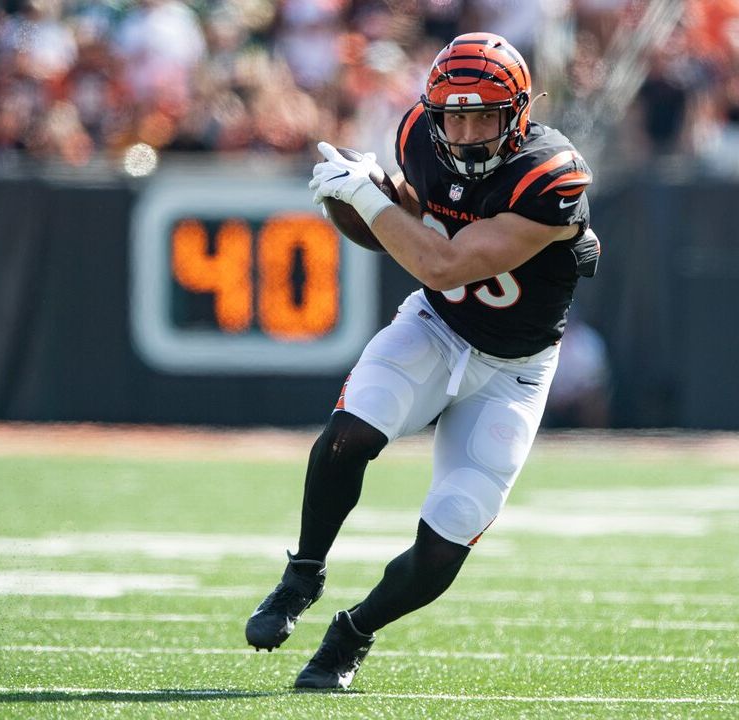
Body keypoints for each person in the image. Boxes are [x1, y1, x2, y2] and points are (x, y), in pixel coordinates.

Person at [245, 32, 599, 690]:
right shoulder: (416, 132)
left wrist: (369, 200)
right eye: (454, 116)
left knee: (453, 529)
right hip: (438, 325)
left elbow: (445, 259)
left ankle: (352, 634)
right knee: (349, 434)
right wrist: (359, 198)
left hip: (515, 369)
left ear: (518, 115)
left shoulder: (550, 175)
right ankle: (304, 572)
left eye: (482, 116)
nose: (464, 133)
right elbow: (418, 221)